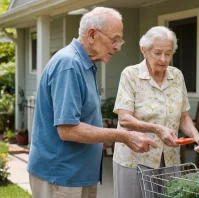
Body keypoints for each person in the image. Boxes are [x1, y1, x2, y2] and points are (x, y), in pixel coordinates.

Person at [27, 7, 159, 198]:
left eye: (120, 41)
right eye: (114, 40)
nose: (118, 47)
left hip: (80, 175)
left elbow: (83, 120)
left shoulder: (86, 65)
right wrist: (123, 137)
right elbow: (68, 130)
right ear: (91, 35)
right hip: (61, 176)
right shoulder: (70, 65)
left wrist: (101, 140)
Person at [112, 26, 199, 198]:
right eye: (157, 53)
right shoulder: (131, 75)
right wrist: (157, 129)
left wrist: (196, 136)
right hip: (136, 158)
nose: (163, 59)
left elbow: (183, 117)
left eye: (168, 53)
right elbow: (125, 119)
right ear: (144, 50)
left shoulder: (177, 76)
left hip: (169, 159)